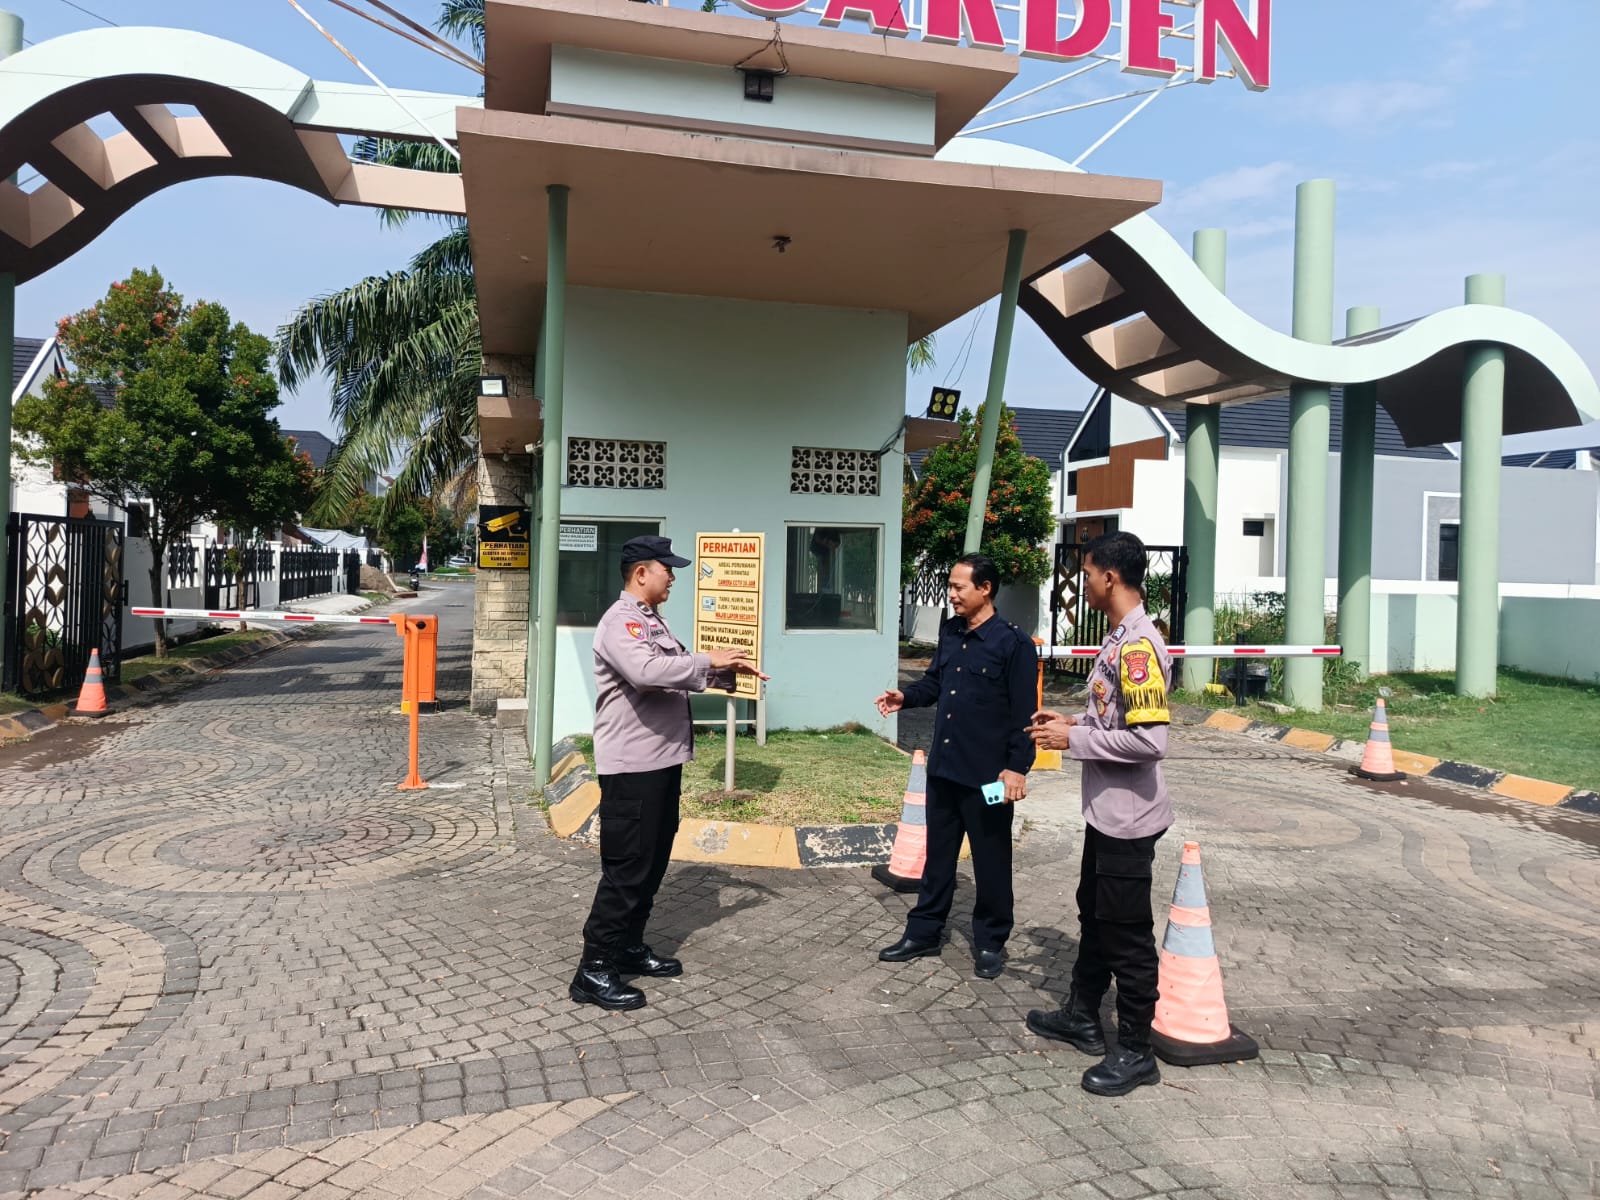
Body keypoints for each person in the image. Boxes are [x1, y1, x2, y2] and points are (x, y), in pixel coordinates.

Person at [571, 534, 767, 1011]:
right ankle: (594, 969)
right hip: (632, 766)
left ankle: (628, 946)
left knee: (653, 860)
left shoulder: (651, 620)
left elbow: (672, 669)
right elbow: (646, 671)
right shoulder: (621, 622)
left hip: (661, 760)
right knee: (627, 868)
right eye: (668, 570)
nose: (673, 578)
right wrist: (707, 660)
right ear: (642, 573)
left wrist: (726, 673)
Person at [1024, 531, 1172, 1096]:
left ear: (1110, 577)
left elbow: (1150, 742)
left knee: (1127, 935)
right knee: (1095, 914)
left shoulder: (1137, 648)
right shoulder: (1118, 639)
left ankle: (1135, 1050)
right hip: (1107, 814)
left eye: (1086, 574)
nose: (1083, 583)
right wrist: (1073, 722)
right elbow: (1115, 721)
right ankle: (1082, 1014)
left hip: (1128, 821)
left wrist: (1074, 741)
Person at [873, 553, 1035, 979]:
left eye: (959, 587)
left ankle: (990, 941)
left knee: (992, 860)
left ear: (985, 589)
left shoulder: (1013, 644)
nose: (952, 594)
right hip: (944, 769)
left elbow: (1025, 714)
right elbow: (935, 683)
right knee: (938, 858)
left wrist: (1017, 768)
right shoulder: (951, 631)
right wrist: (906, 697)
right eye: (950, 586)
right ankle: (924, 932)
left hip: (990, 779)